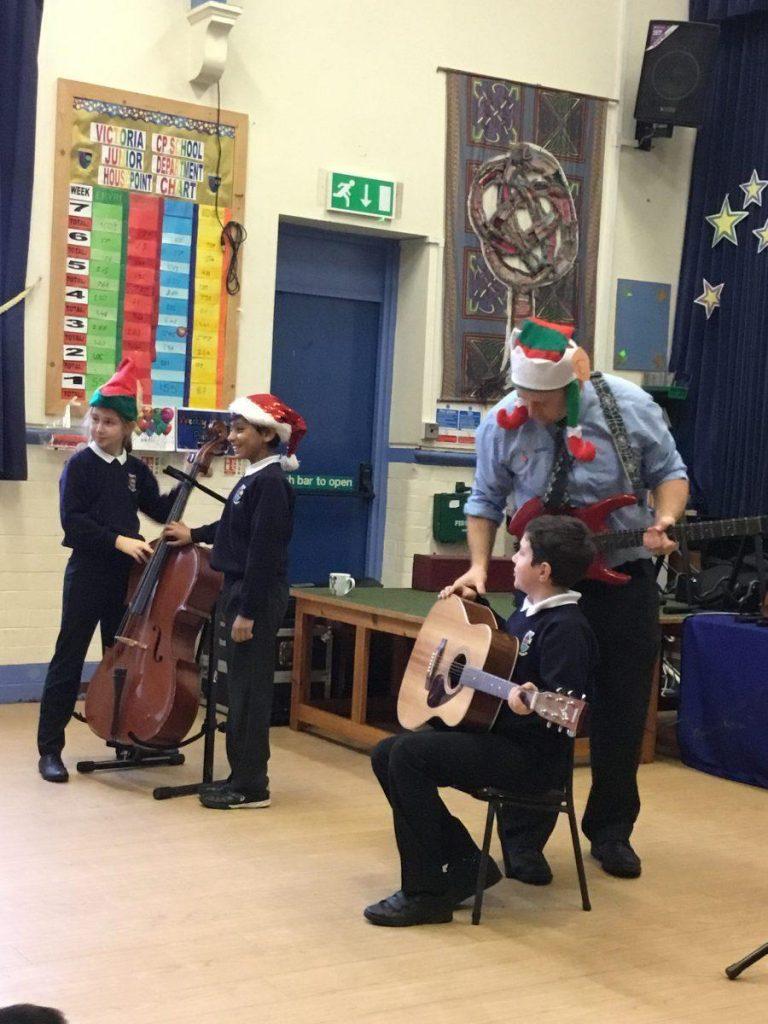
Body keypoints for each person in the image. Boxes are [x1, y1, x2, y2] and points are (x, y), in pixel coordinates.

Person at [443, 316, 689, 880]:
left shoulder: (628, 407)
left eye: (543, 400)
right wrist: (478, 566)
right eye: (523, 396)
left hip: (622, 579)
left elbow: (670, 472)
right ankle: (523, 837)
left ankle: (612, 831)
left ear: (572, 383)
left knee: (622, 711)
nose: (530, 409)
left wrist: (666, 519)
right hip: (543, 587)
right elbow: (484, 499)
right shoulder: (502, 422)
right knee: (531, 709)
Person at [364, 516, 598, 926]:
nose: (513, 559)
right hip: (499, 740)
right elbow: (504, 654)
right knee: (386, 753)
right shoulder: (527, 613)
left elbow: (565, 712)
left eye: (521, 552)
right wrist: (474, 610)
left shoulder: (568, 629)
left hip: (531, 758)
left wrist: (529, 705)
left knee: (409, 756)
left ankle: (425, 893)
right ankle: (465, 863)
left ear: (543, 570)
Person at [37, 358, 181, 783]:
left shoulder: (135, 470)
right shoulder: (80, 465)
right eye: (96, 420)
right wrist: (120, 541)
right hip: (88, 573)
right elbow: (74, 522)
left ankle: (123, 737)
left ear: (127, 427)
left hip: (126, 578)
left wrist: (190, 478)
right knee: (69, 658)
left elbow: (159, 510)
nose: (99, 429)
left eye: (109, 422)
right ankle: (50, 749)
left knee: (121, 659)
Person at [164, 393, 306, 810]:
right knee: (238, 690)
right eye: (232, 428)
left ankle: (252, 786)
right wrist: (194, 535)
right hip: (239, 591)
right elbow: (233, 526)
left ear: (268, 434)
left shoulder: (271, 484)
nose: (232, 436)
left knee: (249, 693)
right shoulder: (253, 479)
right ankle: (240, 774)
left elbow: (264, 552)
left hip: (253, 595)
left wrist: (247, 611)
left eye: (241, 429)